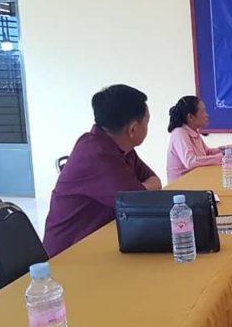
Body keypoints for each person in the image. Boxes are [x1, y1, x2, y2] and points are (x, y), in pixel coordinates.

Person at [43, 84, 161, 257]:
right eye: (147, 121)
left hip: (100, 242)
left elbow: (153, 181)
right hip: (68, 257)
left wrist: (142, 189)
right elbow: (138, 203)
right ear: (133, 129)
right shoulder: (95, 153)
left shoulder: (122, 148)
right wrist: (143, 189)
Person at [166, 96, 224, 183]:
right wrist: (222, 157)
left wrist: (229, 150)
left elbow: (207, 152)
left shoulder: (193, 132)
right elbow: (190, 162)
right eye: (203, 111)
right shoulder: (179, 133)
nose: (207, 115)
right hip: (182, 186)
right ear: (190, 117)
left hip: (195, 181)